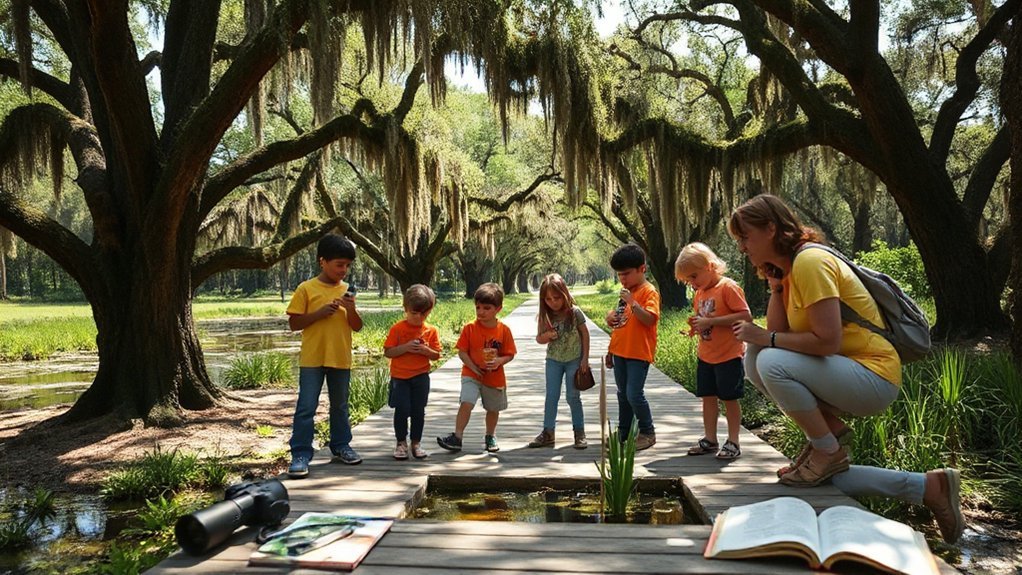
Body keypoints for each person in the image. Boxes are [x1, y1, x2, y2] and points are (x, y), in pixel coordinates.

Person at [728, 193, 965, 544]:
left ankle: (827, 447)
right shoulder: (791, 270)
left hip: (871, 375)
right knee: (757, 356)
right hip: (840, 373)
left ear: (771, 228)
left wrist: (768, 337)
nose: (742, 248)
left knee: (769, 357)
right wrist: (776, 284)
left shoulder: (810, 262)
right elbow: (777, 333)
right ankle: (929, 487)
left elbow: (826, 342)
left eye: (745, 237)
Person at [285, 234, 364, 478]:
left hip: (340, 357)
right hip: (312, 358)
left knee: (340, 405)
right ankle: (300, 453)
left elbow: (357, 326)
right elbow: (294, 323)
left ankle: (341, 445)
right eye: (339, 264)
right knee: (306, 406)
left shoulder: (346, 291)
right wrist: (319, 313)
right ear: (323, 261)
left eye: (348, 265)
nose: (344, 270)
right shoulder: (306, 288)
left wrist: (351, 310)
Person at [675, 242, 752, 460]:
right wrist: (694, 328)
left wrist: (713, 321)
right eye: (688, 280)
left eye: (693, 276)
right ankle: (710, 438)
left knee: (729, 398)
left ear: (710, 266)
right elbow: (703, 319)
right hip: (706, 354)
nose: (692, 283)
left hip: (729, 354)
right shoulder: (700, 293)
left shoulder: (728, 287)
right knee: (707, 397)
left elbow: (745, 316)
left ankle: (733, 441)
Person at [437, 283, 517, 453]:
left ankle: (490, 435)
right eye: (478, 307)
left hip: (494, 377)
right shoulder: (470, 328)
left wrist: (499, 361)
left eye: (486, 308)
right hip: (471, 374)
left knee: (493, 409)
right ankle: (457, 437)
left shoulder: (504, 331)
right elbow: (462, 352)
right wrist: (472, 367)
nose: (480, 312)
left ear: (498, 309)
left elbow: (510, 354)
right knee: (467, 402)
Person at [604, 243, 661, 450]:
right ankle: (624, 432)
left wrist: (633, 303)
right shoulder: (626, 293)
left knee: (634, 394)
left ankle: (647, 431)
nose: (623, 279)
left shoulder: (648, 292)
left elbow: (650, 319)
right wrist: (611, 347)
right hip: (620, 352)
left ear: (642, 269)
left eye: (626, 274)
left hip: (638, 353)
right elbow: (620, 324)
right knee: (622, 394)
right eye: (619, 275)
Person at [528, 273, 591, 450]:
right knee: (551, 397)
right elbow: (539, 338)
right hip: (553, 361)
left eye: (556, 298)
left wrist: (585, 359)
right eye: (548, 299)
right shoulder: (545, 315)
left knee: (573, 396)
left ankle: (579, 432)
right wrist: (546, 336)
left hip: (574, 359)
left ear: (564, 294)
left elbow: (585, 334)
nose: (553, 302)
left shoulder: (574, 313)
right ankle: (548, 432)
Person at [384, 284, 442, 460]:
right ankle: (401, 442)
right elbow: (388, 351)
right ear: (406, 309)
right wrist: (406, 347)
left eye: (423, 314)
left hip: (421, 376)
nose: (418, 318)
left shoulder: (431, 331)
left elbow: (436, 355)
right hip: (400, 377)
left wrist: (425, 351)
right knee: (401, 409)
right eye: (414, 313)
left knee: (418, 410)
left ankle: (416, 442)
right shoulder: (397, 329)